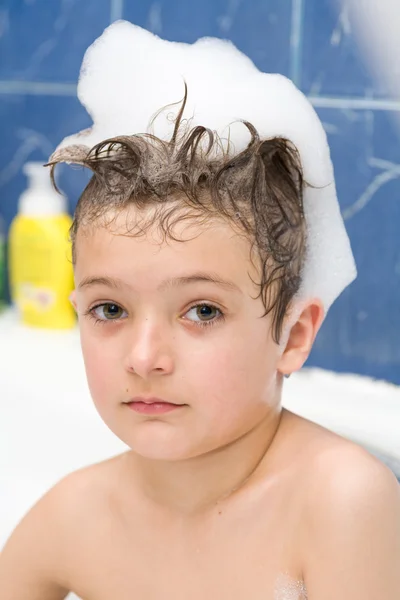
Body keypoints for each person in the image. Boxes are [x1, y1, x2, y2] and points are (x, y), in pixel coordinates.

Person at [0, 92, 399, 600]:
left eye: (203, 311)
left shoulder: (337, 499)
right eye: (110, 310)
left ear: (294, 336)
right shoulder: (74, 516)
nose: (144, 358)